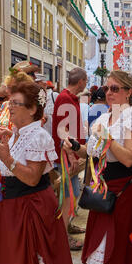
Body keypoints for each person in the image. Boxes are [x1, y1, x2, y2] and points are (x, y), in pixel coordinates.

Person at [0, 80, 74, 264]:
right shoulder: (17, 134)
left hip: (32, 208)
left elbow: (33, 178)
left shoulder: (38, 136)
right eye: (10, 102)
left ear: (32, 109)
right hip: (13, 206)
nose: (10, 106)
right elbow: (10, 170)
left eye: (16, 103)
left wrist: (4, 155)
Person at [63, 70, 132, 264]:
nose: (109, 92)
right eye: (107, 88)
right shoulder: (104, 118)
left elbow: (128, 159)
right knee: (102, 253)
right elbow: (91, 153)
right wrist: (74, 146)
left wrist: (108, 138)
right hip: (102, 191)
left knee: (113, 256)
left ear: (128, 92)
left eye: (115, 88)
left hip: (122, 192)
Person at [52, 67, 87, 250]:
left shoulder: (70, 98)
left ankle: (67, 223)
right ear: (80, 81)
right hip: (66, 156)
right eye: (86, 80)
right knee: (67, 196)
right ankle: (62, 235)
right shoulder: (65, 98)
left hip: (70, 154)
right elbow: (63, 130)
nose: (86, 84)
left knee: (70, 194)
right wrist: (71, 155)